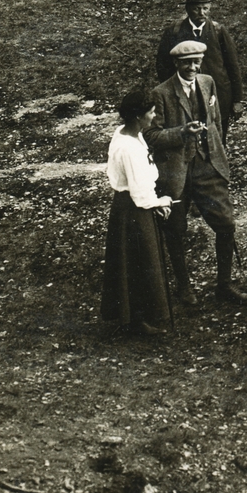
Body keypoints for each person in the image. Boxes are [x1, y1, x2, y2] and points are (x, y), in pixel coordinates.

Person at [145, 41, 247, 306]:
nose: (193, 67)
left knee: (226, 224)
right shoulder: (161, 93)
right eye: (187, 63)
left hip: (208, 167)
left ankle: (225, 285)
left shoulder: (208, 83)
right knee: (175, 229)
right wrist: (181, 133)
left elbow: (216, 121)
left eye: (197, 62)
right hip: (176, 172)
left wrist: (217, 154)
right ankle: (184, 287)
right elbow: (150, 135)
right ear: (176, 64)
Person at [101, 87, 175, 335]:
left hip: (126, 206)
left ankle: (134, 316)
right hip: (133, 210)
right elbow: (140, 191)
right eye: (151, 113)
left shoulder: (128, 134)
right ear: (138, 116)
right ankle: (137, 319)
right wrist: (161, 202)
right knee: (140, 261)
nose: (153, 117)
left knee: (133, 261)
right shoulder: (129, 148)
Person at [155, 0, 243, 138]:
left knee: (216, 135)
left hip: (217, 95)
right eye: (197, 9)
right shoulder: (174, 32)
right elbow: (163, 65)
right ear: (188, 9)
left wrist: (237, 100)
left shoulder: (218, 31)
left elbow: (233, 66)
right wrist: (172, 93)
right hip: (186, 95)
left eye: (205, 8)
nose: (202, 13)